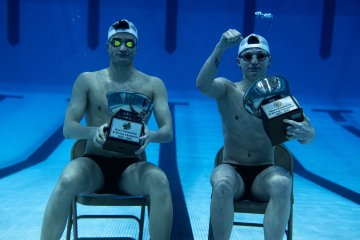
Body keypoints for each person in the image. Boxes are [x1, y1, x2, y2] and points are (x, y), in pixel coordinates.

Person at [41, 19, 173, 240]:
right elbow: (68, 128)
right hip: (93, 163)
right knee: (66, 180)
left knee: (160, 182)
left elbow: (167, 132)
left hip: (131, 167)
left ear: (137, 47)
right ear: (108, 46)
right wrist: (93, 132)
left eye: (129, 44)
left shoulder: (153, 85)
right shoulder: (88, 80)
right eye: (117, 42)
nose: (123, 48)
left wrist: (152, 135)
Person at [196, 29, 315, 240]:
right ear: (238, 62)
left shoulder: (281, 97)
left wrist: (307, 133)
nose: (254, 61)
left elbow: (307, 135)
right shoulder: (227, 89)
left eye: (260, 56)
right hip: (231, 169)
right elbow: (202, 84)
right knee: (222, 185)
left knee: (283, 184)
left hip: (265, 173)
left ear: (269, 61)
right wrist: (221, 47)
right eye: (247, 56)